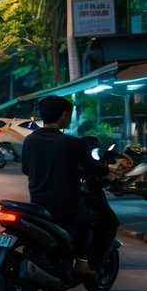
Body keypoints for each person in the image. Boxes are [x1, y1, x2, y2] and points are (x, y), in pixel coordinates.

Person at [22, 96, 117, 275]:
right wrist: (108, 172)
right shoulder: (72, 143)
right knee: (96, 218)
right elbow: (92, 166)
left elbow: (27, 169)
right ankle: (82, 262)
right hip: (64, 207)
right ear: (65, 115)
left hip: (37, 203)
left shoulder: (29, 140)